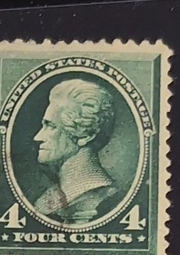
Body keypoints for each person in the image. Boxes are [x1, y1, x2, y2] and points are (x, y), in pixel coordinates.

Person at [29, 76, 121, 223]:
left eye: (51, 126)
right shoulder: (46, 202)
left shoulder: (100, 196)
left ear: (86, 135)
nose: (38, 137)